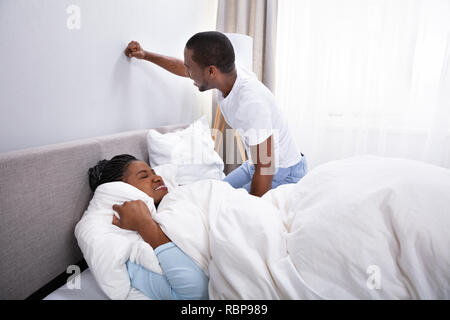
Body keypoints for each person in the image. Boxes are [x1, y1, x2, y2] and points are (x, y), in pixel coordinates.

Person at [124, 31, 307, 197]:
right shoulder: (227, 73)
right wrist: (145, 55)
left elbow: (266, 167)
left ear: (211, 71)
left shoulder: (251, 103)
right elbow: (184, 67)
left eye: (191, 69)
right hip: (255, 164)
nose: (188, 73)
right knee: (210, 198)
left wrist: (249, 213)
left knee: (226, 210)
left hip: (281, 172)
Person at [88, 154, 209, 300]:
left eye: (154, 173)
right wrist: (144, 224)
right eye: (144, 176)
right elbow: (196, 293)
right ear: (121, 190)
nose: (158, 178)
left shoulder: (172, 205)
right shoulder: (126, 250)